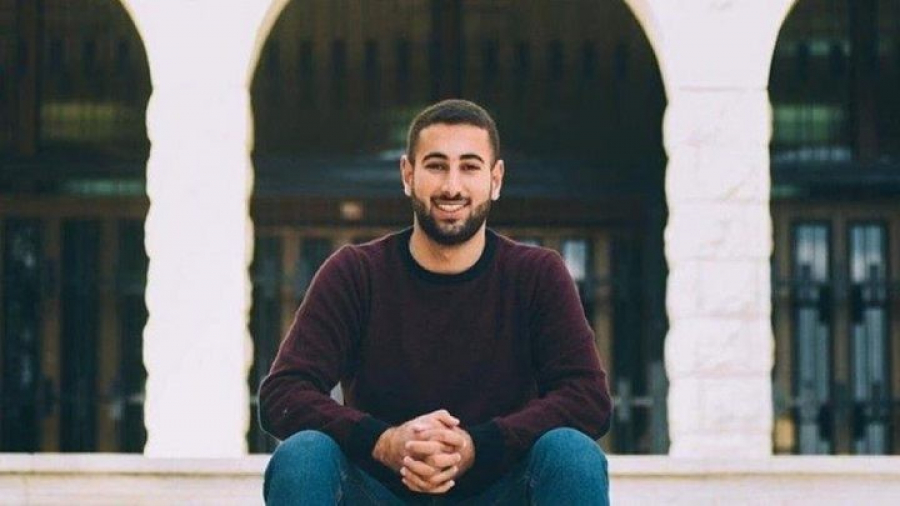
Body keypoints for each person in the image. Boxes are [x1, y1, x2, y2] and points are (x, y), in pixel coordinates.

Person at [259, 99, 613, 505]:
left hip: (500, 494)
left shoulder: (537, 275)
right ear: (408, 175)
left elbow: (587, 397)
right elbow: (283, 393)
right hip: (378, 495)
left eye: (470, 167)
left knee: (572, 453)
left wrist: (477, 446)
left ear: (496, 179)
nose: (451, 186)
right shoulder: (356, 273)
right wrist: (384, 442)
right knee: (304, 455)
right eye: (436, 165)